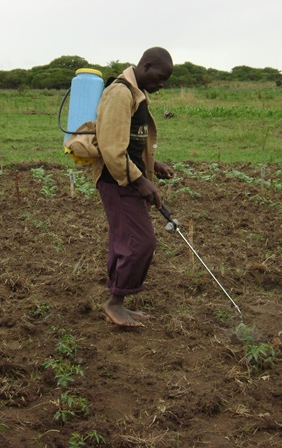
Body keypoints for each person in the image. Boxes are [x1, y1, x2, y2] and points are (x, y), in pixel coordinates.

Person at [92, 47, 174, 327]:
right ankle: (115, 303)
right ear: (146, 66)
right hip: (117, 180)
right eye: (160, 77)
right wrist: (141, 181)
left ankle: (118, 301)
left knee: (125, 240)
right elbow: (112, 149)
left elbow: (129, 141)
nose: (161, 85)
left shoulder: (136, 94)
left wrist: (155, 164)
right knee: (140, 242)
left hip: (125, 177)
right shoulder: (120, 93)